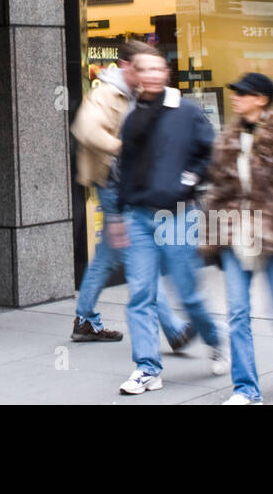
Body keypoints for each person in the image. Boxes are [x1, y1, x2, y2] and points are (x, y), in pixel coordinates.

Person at [200, 72, 273, 405]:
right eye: (235, 92)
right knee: (238, 313)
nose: (235, 97)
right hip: (236, 238)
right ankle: (246, 389)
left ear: (261, 99)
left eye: (242, 93)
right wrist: (215, 234)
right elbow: (218, 193)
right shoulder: (227, 139)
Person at [113, 48, 226, 395]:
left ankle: (215, 340)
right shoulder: (132, 117)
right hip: (138, 217)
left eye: (156, 69)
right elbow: (124, 170)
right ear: (135, 73)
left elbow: (209, 153)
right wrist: (118, 214)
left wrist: (189, 180)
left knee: (188, 295)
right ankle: (147, 368)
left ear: (166, 73)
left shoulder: (187, 112)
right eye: (142, 69)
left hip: (176, 215)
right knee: (141, 295)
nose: (149, 75)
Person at [69, 39, 191, 349]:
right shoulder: (106, 93)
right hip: (114, 186)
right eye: (141, 67)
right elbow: (86, 128)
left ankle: (85, 320)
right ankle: (175, 330)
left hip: (123, 185)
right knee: (142, 256)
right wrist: (125, 150)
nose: (147, 73)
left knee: (108, 258)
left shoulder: (129, 94)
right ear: (126, 66)